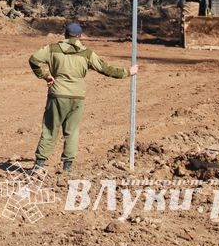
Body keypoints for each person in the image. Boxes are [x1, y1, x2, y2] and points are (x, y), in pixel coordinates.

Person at [28, 22, 138, 173]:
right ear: (80, 37)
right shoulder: (87, 53)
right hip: (77, 97)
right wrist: (128, 72)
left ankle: (39, 165)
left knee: (50, 129)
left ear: (65, 35)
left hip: (57, 95)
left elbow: (34, 59)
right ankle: (67, 167)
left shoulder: (52, 48)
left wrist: (46, 76)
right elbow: (106, 69)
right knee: (72, 131)